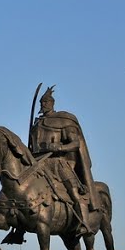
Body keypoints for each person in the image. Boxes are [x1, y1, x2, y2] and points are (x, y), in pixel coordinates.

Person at [29, 85, 100, 234]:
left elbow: (75, 143)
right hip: (39, 163)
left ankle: (84, 223)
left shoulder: (63, 120)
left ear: (52, 103)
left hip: (58, 163)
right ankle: (18, 226)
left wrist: (58, 148)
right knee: (23, 187)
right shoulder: (37, 124)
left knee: (73, 192)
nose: (43, 105)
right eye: (42, 103)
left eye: (46, 102)